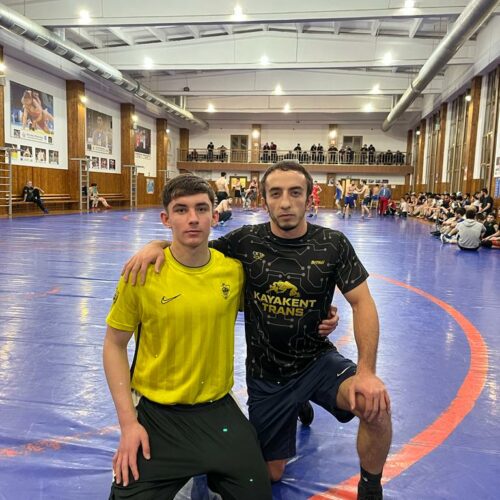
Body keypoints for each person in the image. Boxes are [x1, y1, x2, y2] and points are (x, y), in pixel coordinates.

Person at [123, 162, 392, 500]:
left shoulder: (333, 243)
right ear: (264, 200)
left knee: (375, 404)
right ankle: (294, 406)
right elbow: (193, 247)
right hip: (268, 375)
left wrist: (366, 371)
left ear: (310, 198)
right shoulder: (246, 241)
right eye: (275, 193)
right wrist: (156, 245)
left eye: (295, 192)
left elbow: (363, 303)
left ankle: (370, 486)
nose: (285, 202)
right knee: (270, 474)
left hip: (316, 362)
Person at [104, 174, 272, 500]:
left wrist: (324, 317)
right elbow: (114, 345)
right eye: (181, 210)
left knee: (258, 492)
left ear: (215, 216)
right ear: (165, 219)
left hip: (217, 409)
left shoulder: (233, 272)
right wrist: (128, 425)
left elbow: (273, 306)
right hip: (158, 415)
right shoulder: (141, 275)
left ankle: (207, 475)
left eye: (201, 209)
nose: (192, 218)